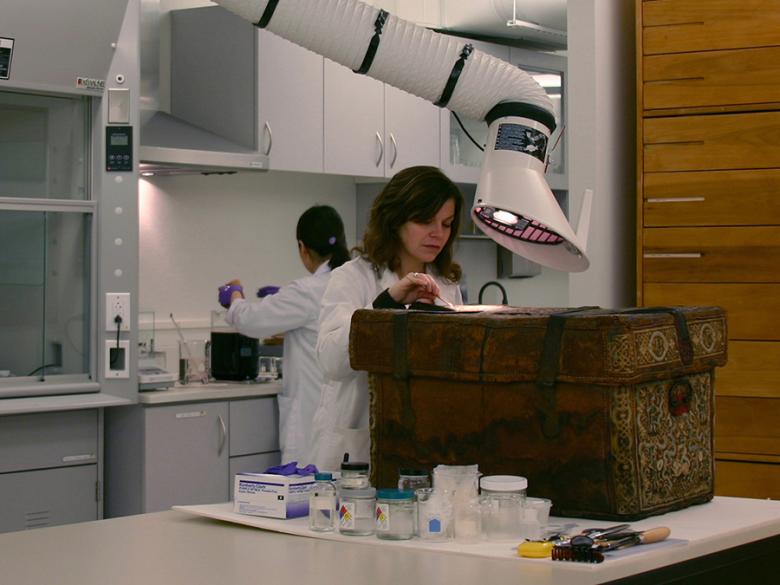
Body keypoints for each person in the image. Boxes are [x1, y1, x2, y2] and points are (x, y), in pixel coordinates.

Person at [311, 166, 464, 471]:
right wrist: (387, 303)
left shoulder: (446, 285)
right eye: (425, 221)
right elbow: (331, 360)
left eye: (446, 224)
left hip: (423, 440)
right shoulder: (352, 278)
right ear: (395, 220)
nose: (438, 234)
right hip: (357, 449)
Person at [217, 205, 349, 465]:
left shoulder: (306, 291)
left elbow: (251, 322)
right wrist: (282, 299)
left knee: (306, 494)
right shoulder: (350, 282)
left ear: (303, 247)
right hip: (346, 420)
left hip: (313, 422)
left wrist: (234, 296)